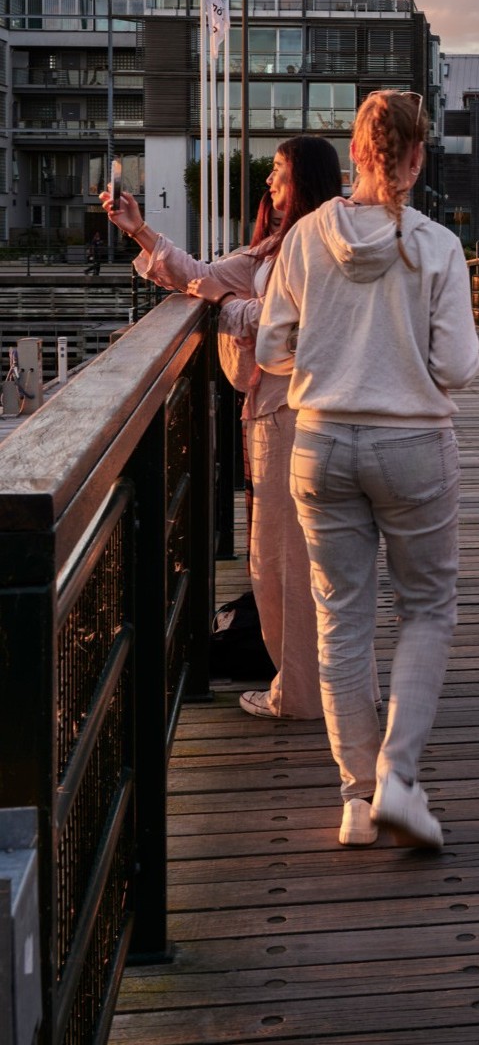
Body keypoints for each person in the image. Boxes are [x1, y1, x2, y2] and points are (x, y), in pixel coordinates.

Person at [256, 89, 479, 850]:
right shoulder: (439, 246)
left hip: (319, 444)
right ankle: (399, 779)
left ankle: (355, 797)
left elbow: (267, 349)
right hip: (414, 444)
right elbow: (456, 366)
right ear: (417, 159)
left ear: (356, 151)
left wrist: (323, 361)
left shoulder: (307, 237)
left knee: (339, 616)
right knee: (426, 608)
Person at [103, 138, 344, 720]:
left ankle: (302, 694)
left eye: (280, 173)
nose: (270, 183)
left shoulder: (316, 249)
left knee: (285, 558)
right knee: (293, 558)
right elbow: (200, 277)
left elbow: (291, 323)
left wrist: (225, 306)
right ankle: (314, 684)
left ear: (305, 182)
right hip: (279, 413)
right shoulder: (271, 251)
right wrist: (139, 231)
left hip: (293, 414)